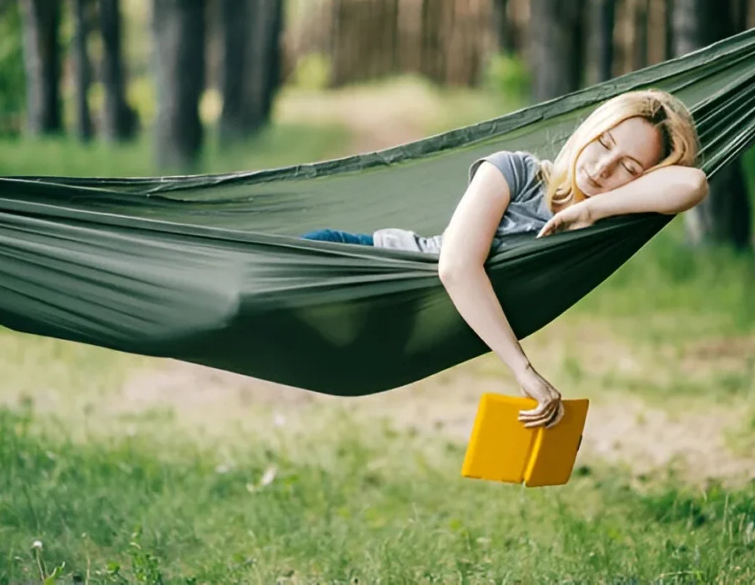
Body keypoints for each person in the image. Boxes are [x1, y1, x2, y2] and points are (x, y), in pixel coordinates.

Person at [302, 89, 708, 429]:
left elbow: (692, 182)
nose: (604, 167)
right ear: (591, 131)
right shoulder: (514, 171)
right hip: (374, 268)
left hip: (405, 319)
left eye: (629, 166)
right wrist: (523, 370)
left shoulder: (606, 227)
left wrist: (591, 211)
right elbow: (456, 267)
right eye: (604, 143)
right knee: (247, 308)